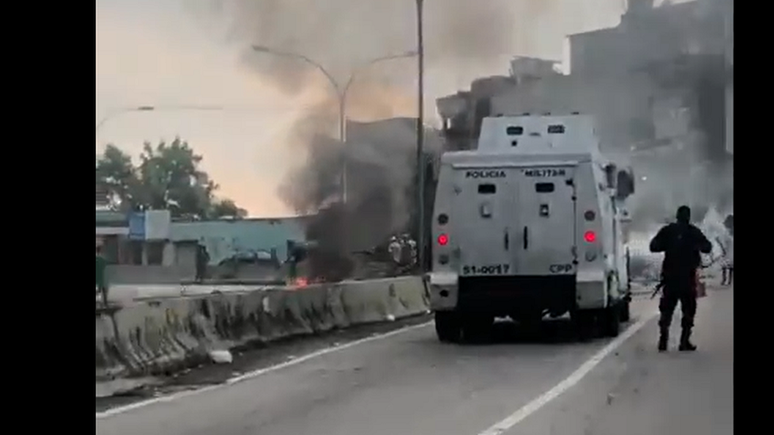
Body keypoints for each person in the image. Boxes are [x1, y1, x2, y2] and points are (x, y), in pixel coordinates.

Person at [649, 205, 712, 352]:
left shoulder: (668, 231)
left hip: (670, 277)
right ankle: (684, 341)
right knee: (689, 310)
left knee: (667, 309)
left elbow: (654, 246)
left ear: (677, 216)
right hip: (687, 279)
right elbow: (707, 247)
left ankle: (663, 339)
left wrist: (669, 245)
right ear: (688, 217)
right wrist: (695, 246)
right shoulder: (693, 232)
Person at [717, 215, 734, 286]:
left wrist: (720, 244)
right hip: (729, 249)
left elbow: (720, 240)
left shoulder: (726, 232)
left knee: (725, 266)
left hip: (727, 249)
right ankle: (728, 280)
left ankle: (725, 280)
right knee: (730, 266)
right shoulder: (727, 232)